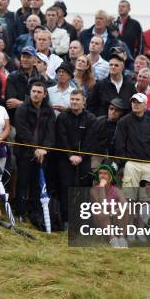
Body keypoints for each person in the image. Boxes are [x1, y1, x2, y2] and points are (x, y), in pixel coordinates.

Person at [14, 81, 56, 226]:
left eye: (39, 92)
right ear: (30, 92)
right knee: (22, 183)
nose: (36, 94)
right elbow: (22, 131)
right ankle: (20, 212)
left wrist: (45, 149)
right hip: (25, 152)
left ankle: (35, 212)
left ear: (44, 95)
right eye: (34, 91)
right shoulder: (22, 109)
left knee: (37, 184)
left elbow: (51, 133)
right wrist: (35, 149)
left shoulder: (49, 111)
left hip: (43, 154)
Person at [56, 89, 95, 229]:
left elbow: (91, 140)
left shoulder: (91, 118)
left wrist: (81, 156)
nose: (74, 102)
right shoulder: (62, 117)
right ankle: (66, 220)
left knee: (83, 189)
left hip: (84, 159)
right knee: (65, 188)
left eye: (77, 99)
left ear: (84, 101)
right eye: (72, 99)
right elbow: (61, 138)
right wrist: (70, 155)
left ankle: (82, 221)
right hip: (65, 158)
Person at [113, 92, 150, 188]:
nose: (135, 104)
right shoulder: (123, 121)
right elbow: (119, 143)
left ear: (145, 105)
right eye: (133, 102)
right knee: (130, 196)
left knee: (147, 198)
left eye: (139, 102)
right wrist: (125, 161)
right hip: (131, 164)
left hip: (149, 164)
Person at [88, 98, 127, 168]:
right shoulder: (99, 121)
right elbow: (91, 140)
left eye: (116, 110)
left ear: (121, 113)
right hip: (98, 155)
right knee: (97, 169)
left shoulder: (123, 125)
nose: (113, 111)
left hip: (117, 158)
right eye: (111, 108)